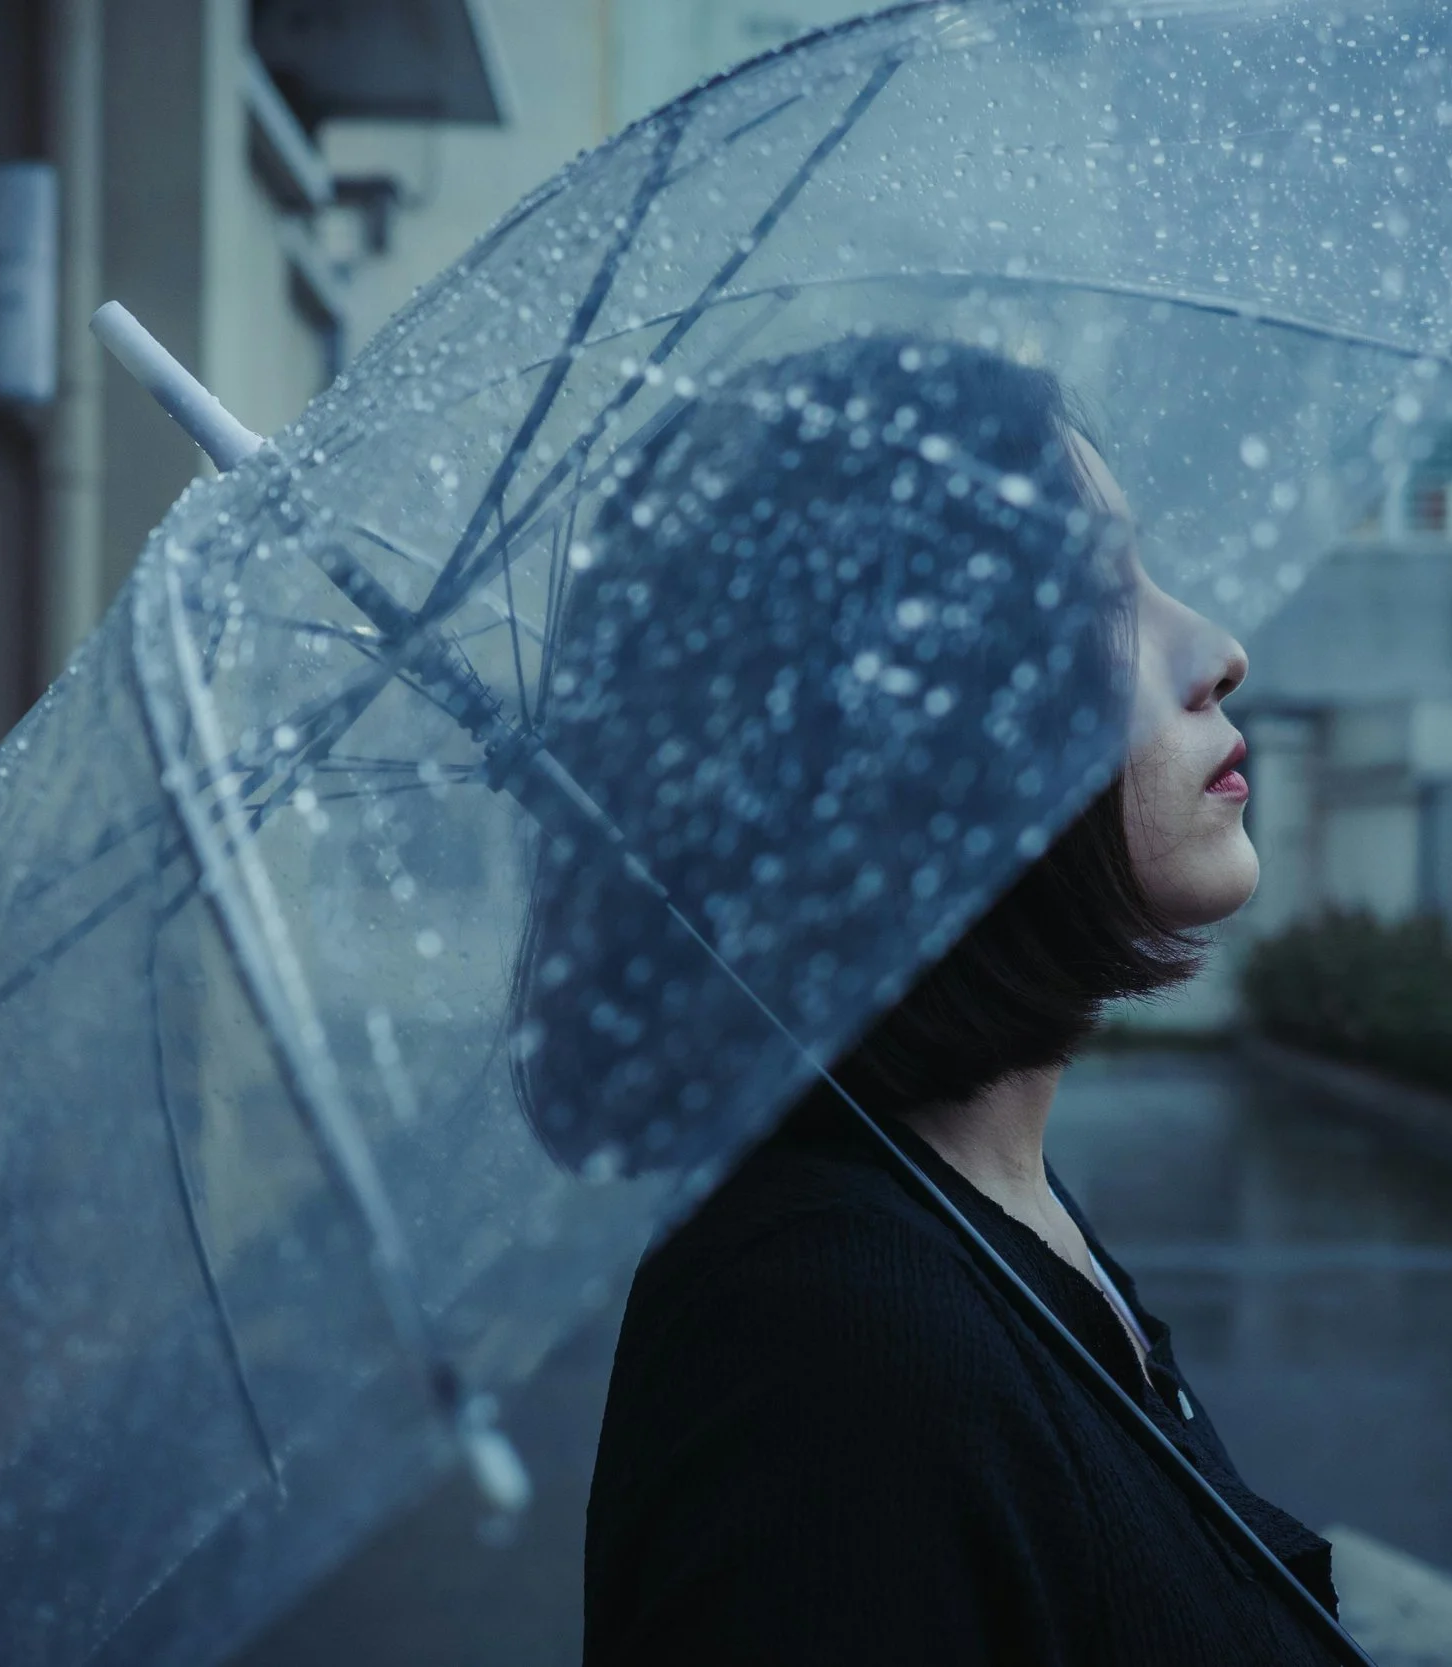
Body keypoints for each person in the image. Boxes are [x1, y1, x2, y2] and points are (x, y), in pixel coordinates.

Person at [515, 336, 1342, 1664]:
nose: (1218, 650)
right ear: (905, 729)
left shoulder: (983, 1202)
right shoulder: (837, 1365)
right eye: (1098, 594)